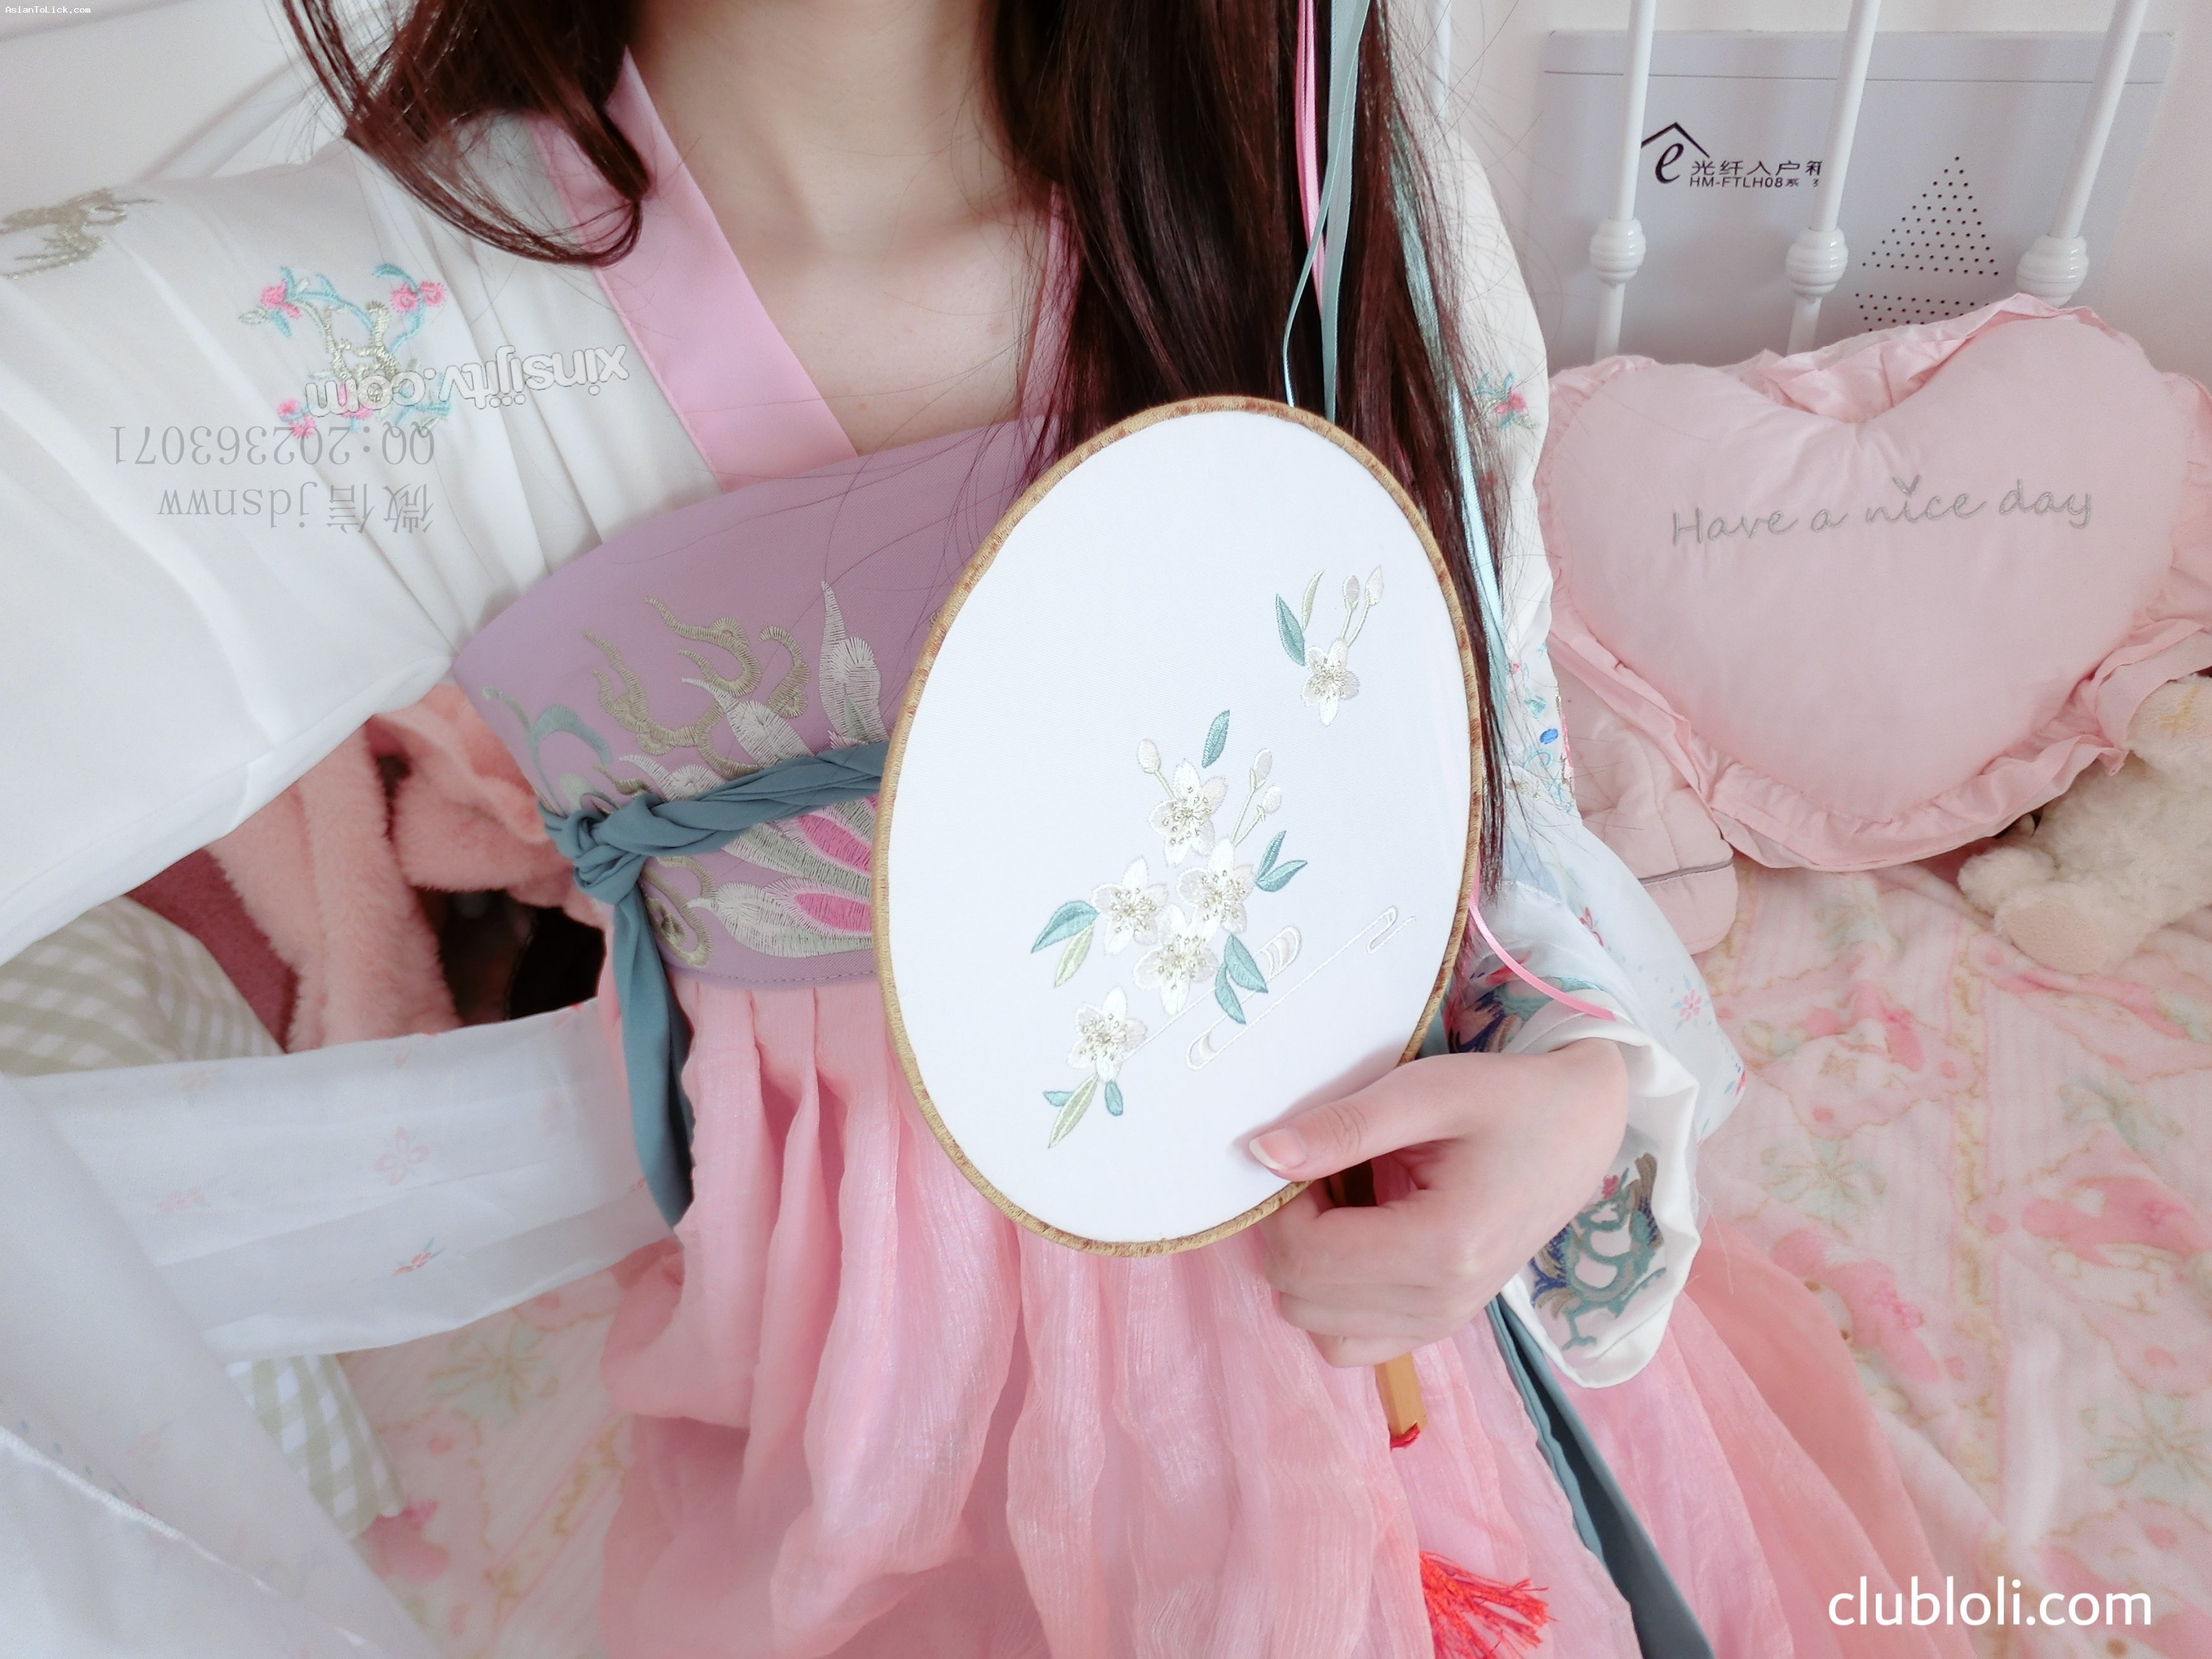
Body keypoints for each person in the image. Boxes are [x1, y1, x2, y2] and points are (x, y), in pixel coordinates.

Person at [0, 1, 1964, 1654]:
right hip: (897, 1426)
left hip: (1409, 1345)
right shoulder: (347, 340)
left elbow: (1481, 766)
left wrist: (1566, 1091)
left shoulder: (1322, 169)